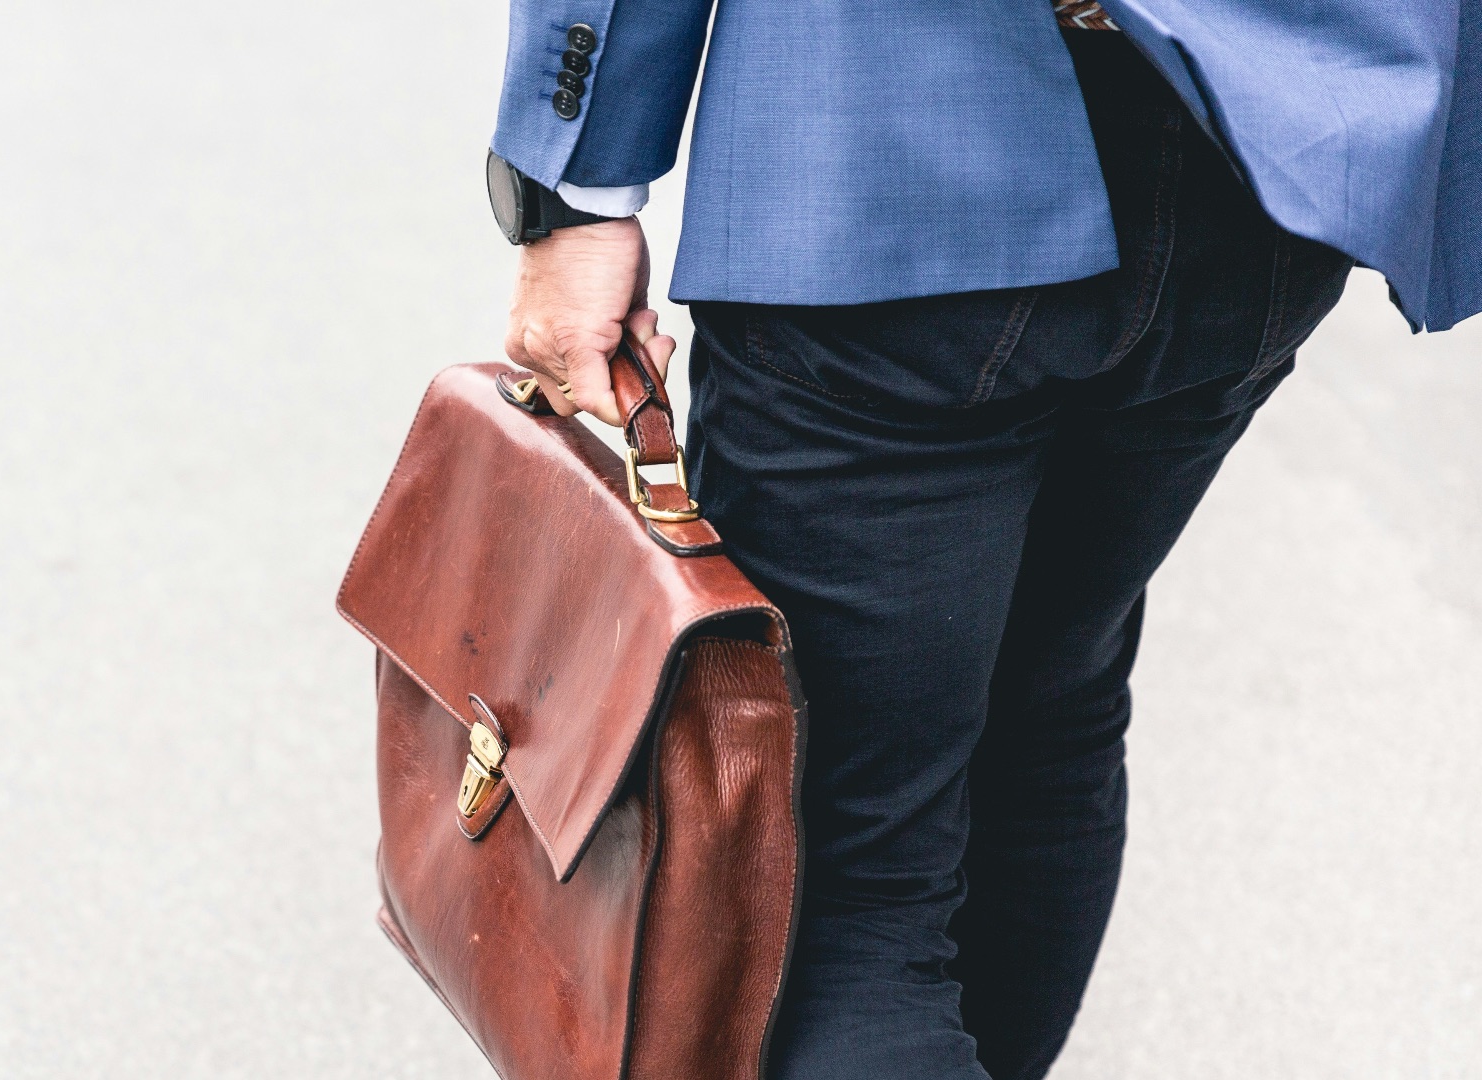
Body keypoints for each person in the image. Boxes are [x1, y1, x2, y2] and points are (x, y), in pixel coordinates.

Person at [484, 1, 1479, 1077]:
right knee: (1045, 711)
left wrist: (575, 188)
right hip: (1263, 162)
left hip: (899, 151)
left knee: (835, 858)